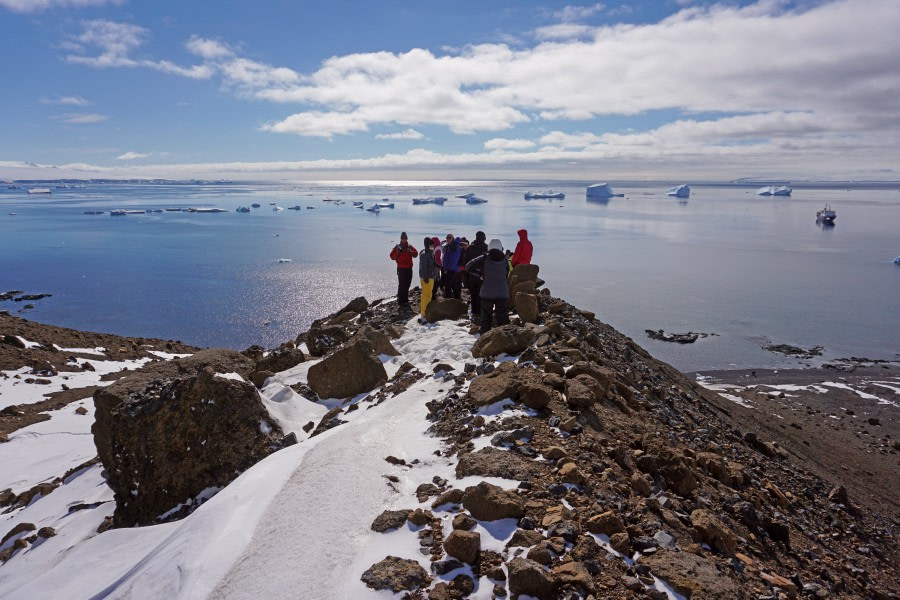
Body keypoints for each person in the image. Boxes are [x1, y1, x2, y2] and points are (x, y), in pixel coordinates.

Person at [465, 238, 510, 334]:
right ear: (500, 248)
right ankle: (504, 342)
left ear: (489, 247)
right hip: (502, 293)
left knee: (486, 320)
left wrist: (480, 275)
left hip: (487, 293)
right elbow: (506, 275)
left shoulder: (484, 258)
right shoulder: (505, 260)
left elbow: (468, 266)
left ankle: (484, 341)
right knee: (503, 320)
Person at [462, 231, 488, 319]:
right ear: (483, 238)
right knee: (481, 294)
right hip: (482, 275)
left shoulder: (470, 248)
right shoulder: (486, 248)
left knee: (473, 294)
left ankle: (474, 312)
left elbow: (465, 262)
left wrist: (466, 276)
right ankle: (480, 313)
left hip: (471, 275)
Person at [389, 231, 418, 307]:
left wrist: (410, 252)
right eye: (403, 238)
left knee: (408, 284)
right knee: (402, 284)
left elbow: (416, 254)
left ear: (407, 238)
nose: (404, 239)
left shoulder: (409, 246)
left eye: (405, 238)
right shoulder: (397, 247)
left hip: (409, 268)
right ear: (401, 239)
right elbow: (391, 256)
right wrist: (397, 252)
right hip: (401, 269)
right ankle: (400, 300)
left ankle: (405, 298)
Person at [418, 237, 438, 322]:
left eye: (433, 244)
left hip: (431, 277)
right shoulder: (424, 254)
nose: (433, 246)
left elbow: (433, 263)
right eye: (431, 244)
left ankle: (427, 313)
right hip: (426, 278)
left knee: (429, 295)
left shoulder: (430, 253)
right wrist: (425, 278)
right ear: (427, 245)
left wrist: (438, 266)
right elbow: (423, 268)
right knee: (425, 296)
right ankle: (423, 314)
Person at [441, 234, 462, 299]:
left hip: (452, 269)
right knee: (454, 285)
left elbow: (454, 259)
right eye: (447, 237)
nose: (447, 239)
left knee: (447, 286)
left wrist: (447, 269)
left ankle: (449, 301)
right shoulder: (449, 246)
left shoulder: (454, 246)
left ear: (453, 238)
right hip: (453, 269)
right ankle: (458, 300)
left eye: (449, 237)